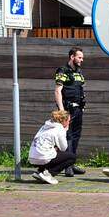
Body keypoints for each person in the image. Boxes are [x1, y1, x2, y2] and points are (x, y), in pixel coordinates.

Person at [54, 47, 86, 177]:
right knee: (68, 137)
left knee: (76, 136)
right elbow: (57, 91)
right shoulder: (63, 71)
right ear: (72, 57)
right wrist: (62, 110)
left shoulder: (79, 71)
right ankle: (67, 166)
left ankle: (71, 163)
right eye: (79, 57)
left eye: (82, 58)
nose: (81, 60)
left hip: (78, 109)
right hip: (67, 109)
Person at [28, 110, 75, 185]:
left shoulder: (45, 126)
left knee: (50, 150)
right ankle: (49, 174)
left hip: (32, 158)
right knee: (71, 157)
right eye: (68, 121)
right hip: (42, 158)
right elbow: (64, 148)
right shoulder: (59, 129)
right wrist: (65, 131)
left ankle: (40, 172)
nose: (69, 123)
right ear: (64, 121)